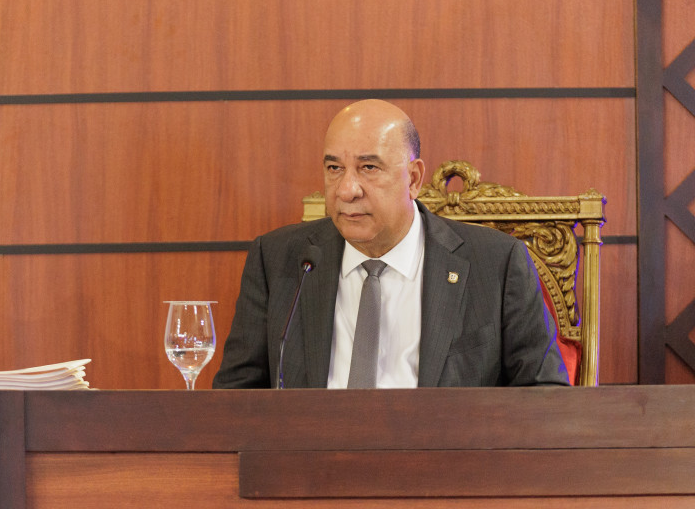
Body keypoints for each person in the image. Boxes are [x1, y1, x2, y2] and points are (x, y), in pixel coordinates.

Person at [213, 99, 568, 388]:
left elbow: (544, 399)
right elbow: (235, 401)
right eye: (334, 169)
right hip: (311, 455)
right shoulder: (279, 260)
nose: (347, 190)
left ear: (413, 179)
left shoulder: (496, 264)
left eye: (369, 168)